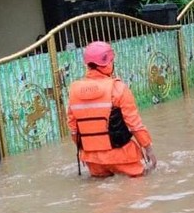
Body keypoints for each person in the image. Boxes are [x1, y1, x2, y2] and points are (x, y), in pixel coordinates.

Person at [67, 41, 157, 178]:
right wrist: (148, 149)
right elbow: (134, 124)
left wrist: (84, 152)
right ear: (107, 63)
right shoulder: (119, 89)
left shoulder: (74, 91)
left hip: (93, 160)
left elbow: (74, 129)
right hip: (122, 156)